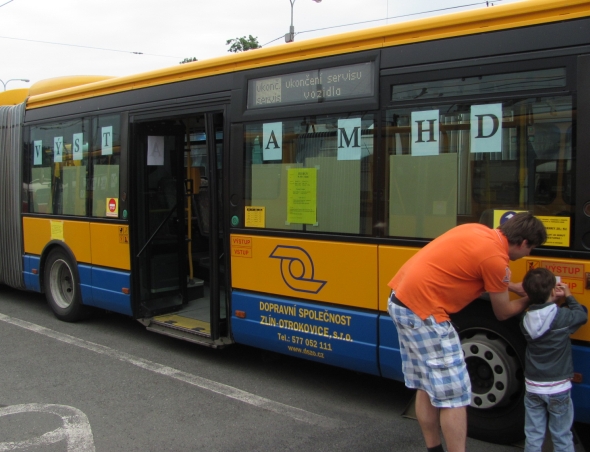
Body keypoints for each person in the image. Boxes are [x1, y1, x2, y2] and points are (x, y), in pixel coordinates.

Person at [387, 212, 547, 452]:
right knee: (456, 395)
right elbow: (502, 312)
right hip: (425, 313)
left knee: (426, 384)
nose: (528, 254)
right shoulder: (496, 259)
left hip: (401, 300)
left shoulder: (477, 231)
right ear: (523, 242)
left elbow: (474, 270)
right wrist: (530, 299)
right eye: (530, 249)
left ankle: (434, 449)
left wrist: (512, 287)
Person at [520, 268, 587, 452]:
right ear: (552, 291)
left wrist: (551, 301)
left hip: (533, 387)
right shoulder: (561, 316)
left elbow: (543, 317)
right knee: (561, 435)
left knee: (533, 434)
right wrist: (569, 296)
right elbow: (581, 316)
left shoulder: (525, 319)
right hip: (558, 388)